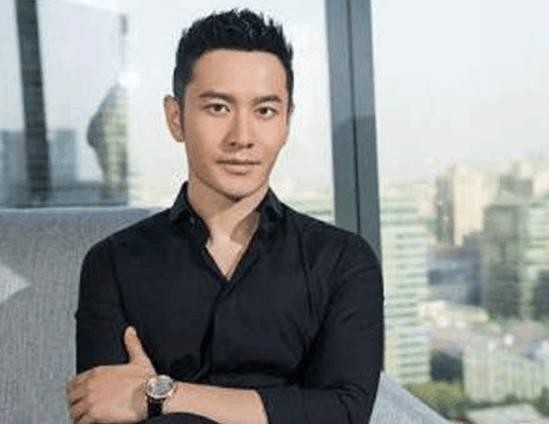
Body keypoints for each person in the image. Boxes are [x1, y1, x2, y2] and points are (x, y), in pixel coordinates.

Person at [66, 8, 383, 424]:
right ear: (176, 118)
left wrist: (161, 394)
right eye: (218, 108)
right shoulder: (112, 263)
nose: (242, 137)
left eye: (264, 111)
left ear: (286, 122)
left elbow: (344, 413)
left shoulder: (342, 261)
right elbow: (101, 408)